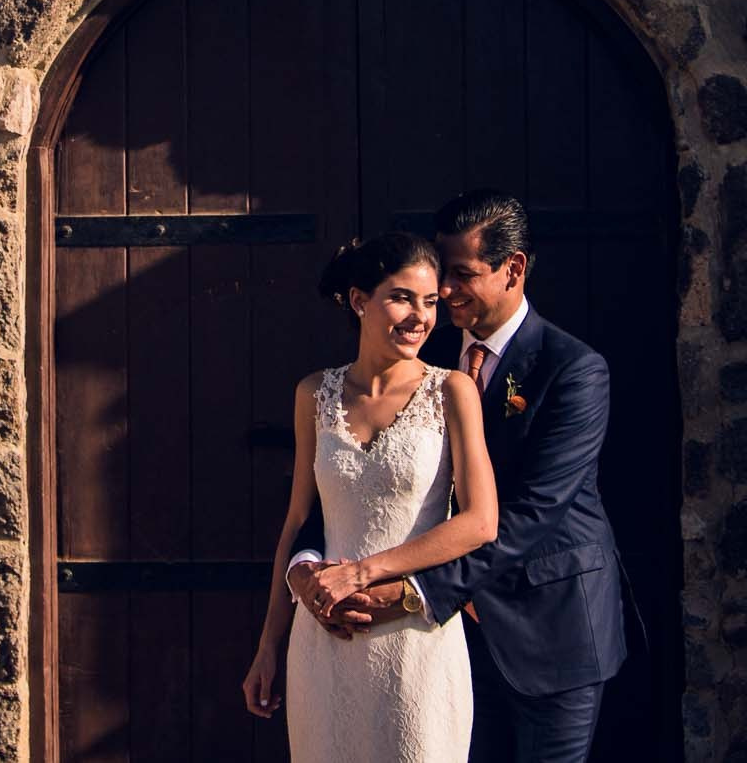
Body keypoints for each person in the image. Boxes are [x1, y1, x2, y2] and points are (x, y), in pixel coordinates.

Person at [286, 191, 628, 763]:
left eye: (462, 275)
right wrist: (306, 574)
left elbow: (530, 515)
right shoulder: (421, 348)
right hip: (438, 644)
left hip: (547, 629)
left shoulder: (572, 369)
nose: (441, 294)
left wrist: (415, 593)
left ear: (513, 269)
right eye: (441, 277)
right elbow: (347, 488)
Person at [242, 232, 499, 762]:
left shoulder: (452, 390)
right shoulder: (313, 393)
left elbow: (479, 522)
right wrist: (269, 643)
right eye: (402, 297)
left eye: (430, 302)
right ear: (360, 300)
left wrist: (363, 573)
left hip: (416, 643)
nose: (420, 317)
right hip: (325, 644)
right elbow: (297, 520)